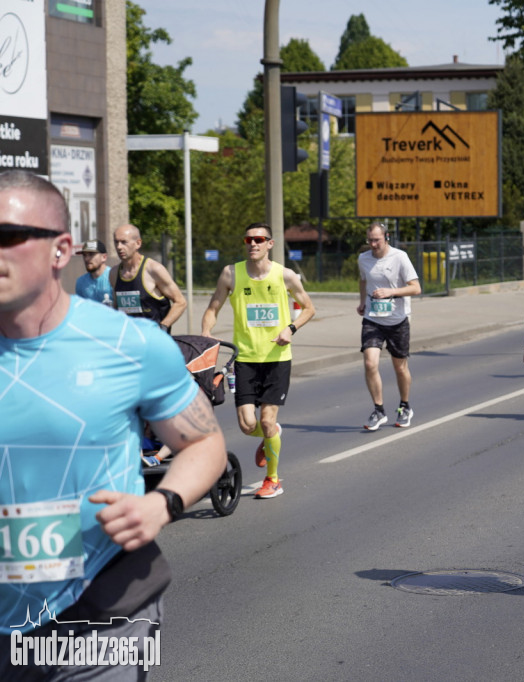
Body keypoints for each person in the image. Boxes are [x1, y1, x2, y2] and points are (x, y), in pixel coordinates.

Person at [0, 170, 226, 675]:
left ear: (60, 249)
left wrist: (161, 503)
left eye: (7, 236)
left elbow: (204, 443)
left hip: (101, 606)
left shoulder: (132, 344)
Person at [201, 222, 316, 499]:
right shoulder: (231, 274)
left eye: (259, 239)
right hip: (245, 359)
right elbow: (213, 307)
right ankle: (271, 435)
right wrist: (206, 334)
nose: (253, 244)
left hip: (277, 358)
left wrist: (291, 328)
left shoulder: (285, 275)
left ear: (270, 244)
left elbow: (309, 308)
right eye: (249, 240)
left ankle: (273, 479)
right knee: (247, 424)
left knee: (266, 420)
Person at [358, 222, 421, 430]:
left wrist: (390, 292)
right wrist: (362, 302)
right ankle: (378, 409)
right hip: (373, 318)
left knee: (399, 367)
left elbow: (416, 288)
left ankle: (405, 406)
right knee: (370, 363)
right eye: (370, 240)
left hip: (397, 320)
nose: (373, 244)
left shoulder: (399, 257)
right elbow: (363, 280)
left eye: (377, 239)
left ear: (386, 237)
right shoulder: (363, 258)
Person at [110, 223, 186, 331]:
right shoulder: (114, 273)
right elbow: (117, 307)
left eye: (124, 242)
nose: (119, 247)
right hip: (130, 341)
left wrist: (162, 327)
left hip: (153, 342)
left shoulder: (154, 270)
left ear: (138, 243)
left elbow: (180, 302)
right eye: (116, 242)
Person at [74, 238, 114, 306]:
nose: (86, 259)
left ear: (104, 257)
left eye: (91, 254)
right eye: (84, 255)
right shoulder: (80, 282)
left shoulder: (113, 277)